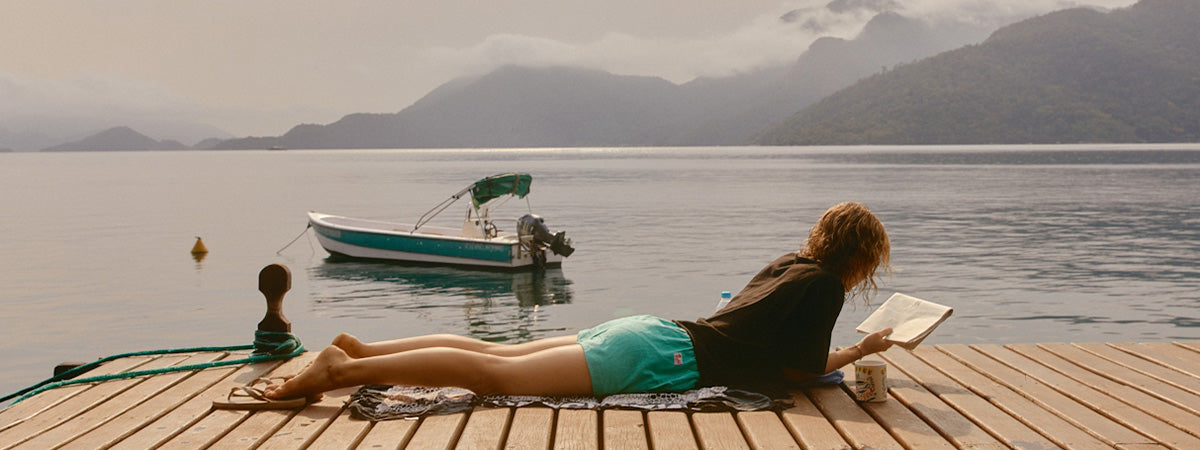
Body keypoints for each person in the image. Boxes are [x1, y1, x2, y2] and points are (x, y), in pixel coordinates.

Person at [264, 201, 894, 402]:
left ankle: (366, 350)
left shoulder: (794, 264)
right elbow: (802, 367)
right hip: (664, 360)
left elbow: (779, 346)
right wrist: (861, 349)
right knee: (495, 378)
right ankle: (340, 371)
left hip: (654, 330)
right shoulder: (824, 285)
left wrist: (845, 350)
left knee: (496, 351)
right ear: (859, 255)